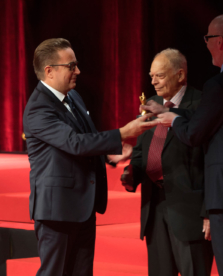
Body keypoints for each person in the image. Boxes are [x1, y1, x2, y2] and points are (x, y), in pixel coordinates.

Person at [142, 14, 223, 276]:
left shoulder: (219, 84)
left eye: (208, 38)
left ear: (221, 41)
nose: (206, 44)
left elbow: (193, 135)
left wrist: (172, 122)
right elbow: (219, 119)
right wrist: (174, 115)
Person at [23, 38, 156, 276]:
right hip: (57, 211)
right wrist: (123, 132)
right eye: (71, 66)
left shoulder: (73, 97)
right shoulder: (38, 108)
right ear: (49, 71)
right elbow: (74, 143)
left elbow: (88, 137)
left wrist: (110, 154)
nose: (78, 71)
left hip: (82, 206)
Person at [121, 48, 213, 276]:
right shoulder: (151, 103)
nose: (153, 82)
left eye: (159, 76)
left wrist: (210, 211)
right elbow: (143, 151)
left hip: (191, 213)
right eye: (151, 76)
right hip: (155, 208)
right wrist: (132, 170)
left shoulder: (202, 105)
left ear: (180, 75)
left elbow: (213, 162)